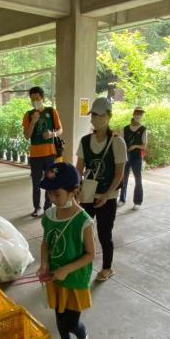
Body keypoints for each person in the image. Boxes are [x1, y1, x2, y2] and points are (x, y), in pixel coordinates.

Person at [38, 162, 95, 339]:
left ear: (74, 191)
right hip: (55, 278)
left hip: (74, 280)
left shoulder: (84, 221)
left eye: (57, 194)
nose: (52, 199)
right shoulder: (50, 216)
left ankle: (82, 338)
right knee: (59, 319)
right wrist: (44, 265)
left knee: (71, 323)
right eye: (49, 194)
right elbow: (45, 243)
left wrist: (66, 269)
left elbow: (91, 255)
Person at [76, 97, 128, 282]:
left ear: (108, 116)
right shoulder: (84, 141)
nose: (94, 119)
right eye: (93, 115)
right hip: (88, 194)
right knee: (83, 230)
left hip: (108, 195)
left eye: (98, 115)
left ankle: (107, 268)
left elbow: (119, 173)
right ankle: (82, 263)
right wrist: (76, 189)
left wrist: (107, 195)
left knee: (105, 233)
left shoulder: (117, 143)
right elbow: (78, 168)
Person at [23, 86, 63, 217]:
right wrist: (33, 122)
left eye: (37, 98)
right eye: (32, 99)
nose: (35, 101)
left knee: (49, 181)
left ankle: (47, 207)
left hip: (50, 154)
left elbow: (60, 130)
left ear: (42, 98)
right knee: (36, 183)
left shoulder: (51, 112)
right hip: (35, 155)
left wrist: (52, 134)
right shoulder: (28, 115)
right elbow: (27, 136)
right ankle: (37, 208)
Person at [119, 106, 148, 210]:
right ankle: (122, 199)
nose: (139, 115)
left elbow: (144, 146)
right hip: (126, 156)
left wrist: (135, 146)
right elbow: (121, 143)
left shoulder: (143, 129)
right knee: (123, 178)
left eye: (141, 113)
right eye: (137, 113)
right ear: (133, 113)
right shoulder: (126, 128)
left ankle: (137, 201)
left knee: (138, 179)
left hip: (136, 157)